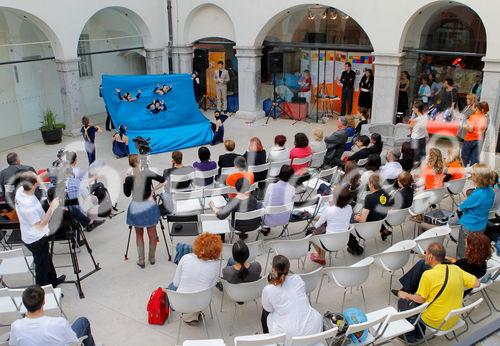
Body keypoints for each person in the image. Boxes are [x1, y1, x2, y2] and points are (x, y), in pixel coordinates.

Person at [396, 243, 479, 342]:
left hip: (436, 321)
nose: (424, 255)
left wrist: (405, 294)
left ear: (430, 256)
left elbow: (420, 299)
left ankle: (410, 337)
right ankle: (418, 333)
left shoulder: (428, 275)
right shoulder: (456, 269)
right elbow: (477, 283)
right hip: (453, 318)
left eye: (425, 253)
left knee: (403, 302)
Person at [14, 172, 65, 287]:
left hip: (32, 234)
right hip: (36, 239)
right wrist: (52, 207)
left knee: (46, 260)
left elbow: (37, 178)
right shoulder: (28, 206)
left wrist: (52, 170)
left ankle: (53, 281)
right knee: (42, 267)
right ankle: (43, 291)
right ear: (33, 185)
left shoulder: (21, 190)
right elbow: (41, 224)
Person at [261, 255, 323, 344]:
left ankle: (267, 337)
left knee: (267, 313)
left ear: (273, 269)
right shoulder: (297, 278)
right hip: (314, 328)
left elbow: (268, 309)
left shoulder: (268, 289)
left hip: (290, 337)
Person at [9, 285, 95, 346]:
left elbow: (13, 344)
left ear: (24, 304)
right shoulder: (59, 323)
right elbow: (73, 341)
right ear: (44, 302)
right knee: (83, 321)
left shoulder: (16, 326)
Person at [123, 155, 165, 268]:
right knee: (152, 234)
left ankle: (141, 260)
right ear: (139, 163)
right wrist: (153, 190)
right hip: (148, 206)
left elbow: (127, 194)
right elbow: (163, 180)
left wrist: (124, 182)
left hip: (136, 207)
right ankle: (152, 258)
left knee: (139, 234)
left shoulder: (128, 178)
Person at [170, 233, 222, 323]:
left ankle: (189, 314)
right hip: (202, 302)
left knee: (171, 286)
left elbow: (176, 283)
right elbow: (212, 285)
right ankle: (194, 313)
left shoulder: (185, 258)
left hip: (180, 302)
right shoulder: (216, 265)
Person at [456, 164, 495, 258]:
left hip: (469, 225)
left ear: (478, 178)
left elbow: (461, 207)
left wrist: (462, 204)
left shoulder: (477, 194)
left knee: (463, 250)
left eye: (473, 174)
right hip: (481, 225)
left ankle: (461, 267)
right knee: (475, 248)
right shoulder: (491, 191)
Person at [310, 187, 353, 265]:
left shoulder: (329, 210)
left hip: (329, 243)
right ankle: (320, 256)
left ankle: (320, 257)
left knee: (311, 234)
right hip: (343, 241)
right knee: (323, 231)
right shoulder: (349, 208)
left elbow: (317, 225)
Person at [349, 174, 389, 253]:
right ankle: (383, 230)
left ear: (371, 184)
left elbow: (363, 220)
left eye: (369, 183)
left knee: (347, 220)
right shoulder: (385, 193)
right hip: (378, 222)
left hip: (367, 228)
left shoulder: (369, 198)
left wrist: (358, 218)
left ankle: (355, 248)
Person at [262, 165, 295, 235]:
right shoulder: (292, 189)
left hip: (269, 220)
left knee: (259, 206)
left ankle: (265, 228)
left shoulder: (271, 186)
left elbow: (265, 204)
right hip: (285, 219)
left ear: (280, 174)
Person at [462, 101, 488, 167]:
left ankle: (462, 174)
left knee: (464, 158)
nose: (471, 108)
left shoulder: (473, 117)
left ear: (476, 108)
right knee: (474, 160)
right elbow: (484, 129)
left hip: (469, 139)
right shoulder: (484, 117)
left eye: (473, 106)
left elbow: (470, 129)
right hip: (479, 140)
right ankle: (472, 174)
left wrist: (464, 125)